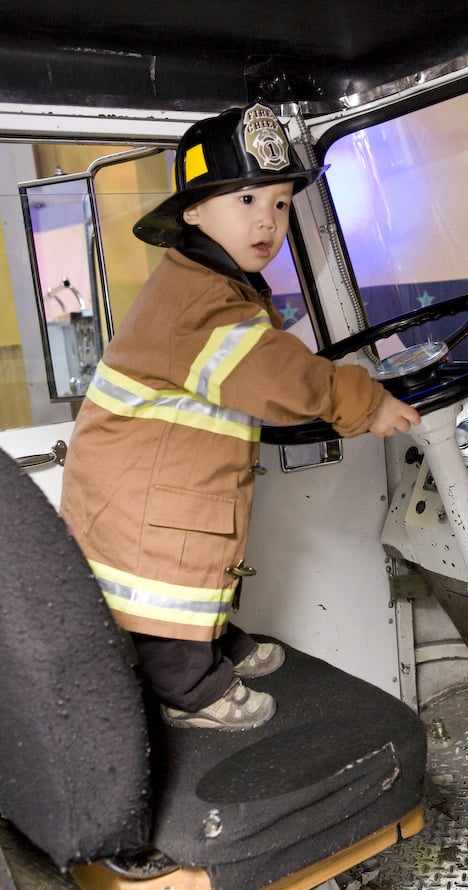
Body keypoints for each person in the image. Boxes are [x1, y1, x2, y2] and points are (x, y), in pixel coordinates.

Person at [60, 102, 420, 731]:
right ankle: (191, 691)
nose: (269, 221)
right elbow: (275, 375)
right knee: (163, 593)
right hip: (144, 501)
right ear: (193, 211)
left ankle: (212, 641)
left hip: (149, 487)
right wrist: (367, 402)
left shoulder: (210, 286)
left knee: (191, 575)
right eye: (247, 200)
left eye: (280, 204)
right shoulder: (201, 303)